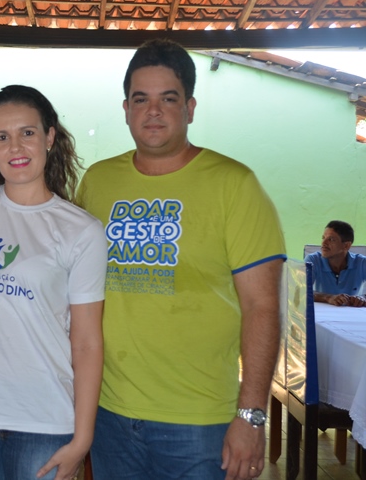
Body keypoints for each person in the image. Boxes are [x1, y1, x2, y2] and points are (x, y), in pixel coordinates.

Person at [76, 39, 286, 480]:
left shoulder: (235, 185)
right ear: (126, 108)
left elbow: (262, 307)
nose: (153, 111)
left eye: (168, 99)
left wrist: (251, 415)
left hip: (200, 419)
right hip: (110, 410)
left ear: (189, 108)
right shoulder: (97, 182)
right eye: (141, 99)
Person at [0, 85, 106, 480]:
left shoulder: (82, 230)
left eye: (27, 132)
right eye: (2, 137)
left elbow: (87, 341)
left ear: (49, 137)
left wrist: (82, 438)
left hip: (44, 419)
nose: (16, 147)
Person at [305, 220, 366, 307]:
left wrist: (363, 298)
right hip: (322, 316)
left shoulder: (362, 263)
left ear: (346, 246)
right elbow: (301, 291)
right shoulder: (313, 260)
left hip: (352, 315)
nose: (323, 243)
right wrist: (328, 297)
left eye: (331, 239)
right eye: (323, 238)